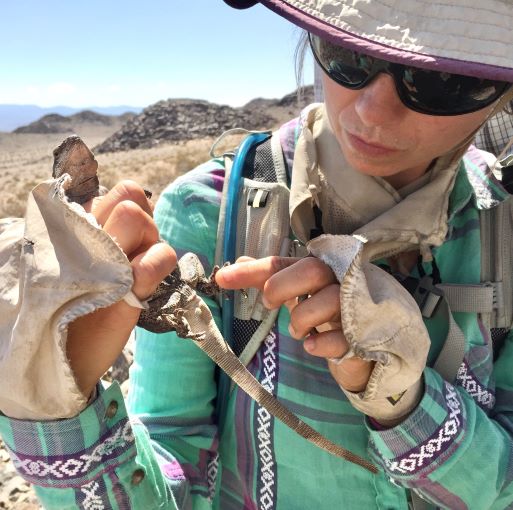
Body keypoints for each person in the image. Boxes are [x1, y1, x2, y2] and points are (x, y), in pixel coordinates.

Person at [1, 0, 513, 509]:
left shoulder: (503, 227)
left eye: (444, 81)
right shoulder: (206, 212)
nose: (371, 112)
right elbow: (176, 478)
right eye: (348, 53)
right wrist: (55, 407)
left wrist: (406, 402)